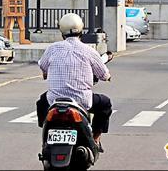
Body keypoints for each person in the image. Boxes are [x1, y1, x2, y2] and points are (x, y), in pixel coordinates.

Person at [37, 13, 112, 152]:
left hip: (54, 101)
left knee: (41, 102)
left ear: (62, 32)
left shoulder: (53, 48)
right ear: (81, 30)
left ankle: (47, 133)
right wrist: (108, 77)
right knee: (105, 103)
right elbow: (103, 74)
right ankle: (96, 137)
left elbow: (43, 65)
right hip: (82, 101)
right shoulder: (89, 51)